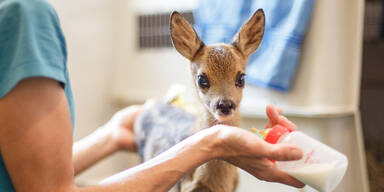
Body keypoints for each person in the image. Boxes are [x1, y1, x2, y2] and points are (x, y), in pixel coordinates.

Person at [0, 0, 304, 191]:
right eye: (205, 82)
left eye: (238, 81)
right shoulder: (23, 16)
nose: (224, 99)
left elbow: (26, 174)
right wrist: (211, 143)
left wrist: (117, 130)